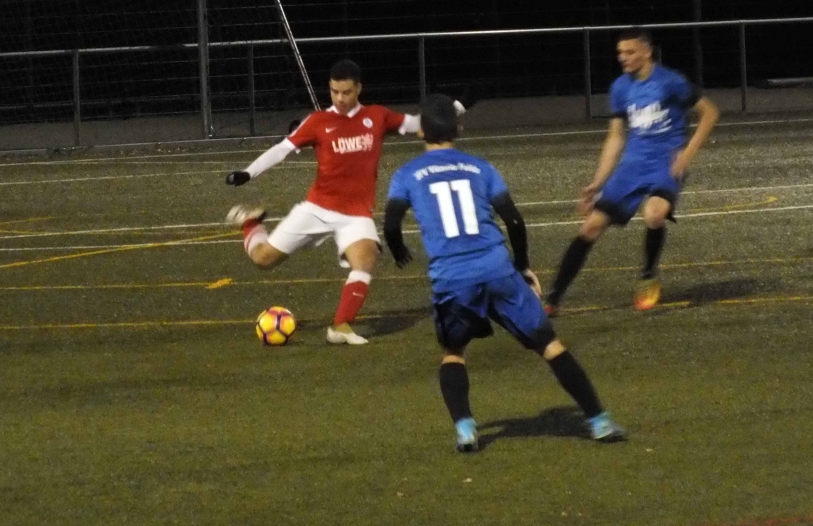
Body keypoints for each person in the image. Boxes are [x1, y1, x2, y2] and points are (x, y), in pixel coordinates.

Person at [383, 94, 625, 452]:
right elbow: (513, 220)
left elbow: (391, 223)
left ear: (421, 132)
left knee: (454, 351)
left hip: (453, 278)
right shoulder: (481, 168)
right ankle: (599, 421)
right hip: (497, 269)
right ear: (459, 129)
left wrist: (399, 250)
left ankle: (466, 429)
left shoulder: (406, 174)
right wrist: (523, 266)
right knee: (549, 345)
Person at [224, 58, 465, 345]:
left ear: (359, 88)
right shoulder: (318, 121)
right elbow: (282, 149)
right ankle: (250, 224)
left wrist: (455, 108)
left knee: (366, 258)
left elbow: (419, 123)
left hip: (356, 215)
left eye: (347, 92)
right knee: (263, 259)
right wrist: (248, 172)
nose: (340, 98)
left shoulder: (377, 116)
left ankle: (341, 327)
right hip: (316, 209)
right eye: (335, 92)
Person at [544, 28, 720, 315]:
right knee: (590, 227)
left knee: (654, 214)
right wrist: (597, 182)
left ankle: (648, 275)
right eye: (620, 53)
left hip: (664, 164)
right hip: (632, 166)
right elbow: (615, 137)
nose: (623, 58)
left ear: (647, 51)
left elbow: (710, 112)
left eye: (630, 52)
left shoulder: (671, 81)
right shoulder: (620, 88)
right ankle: (553, 298)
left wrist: (686, 155)